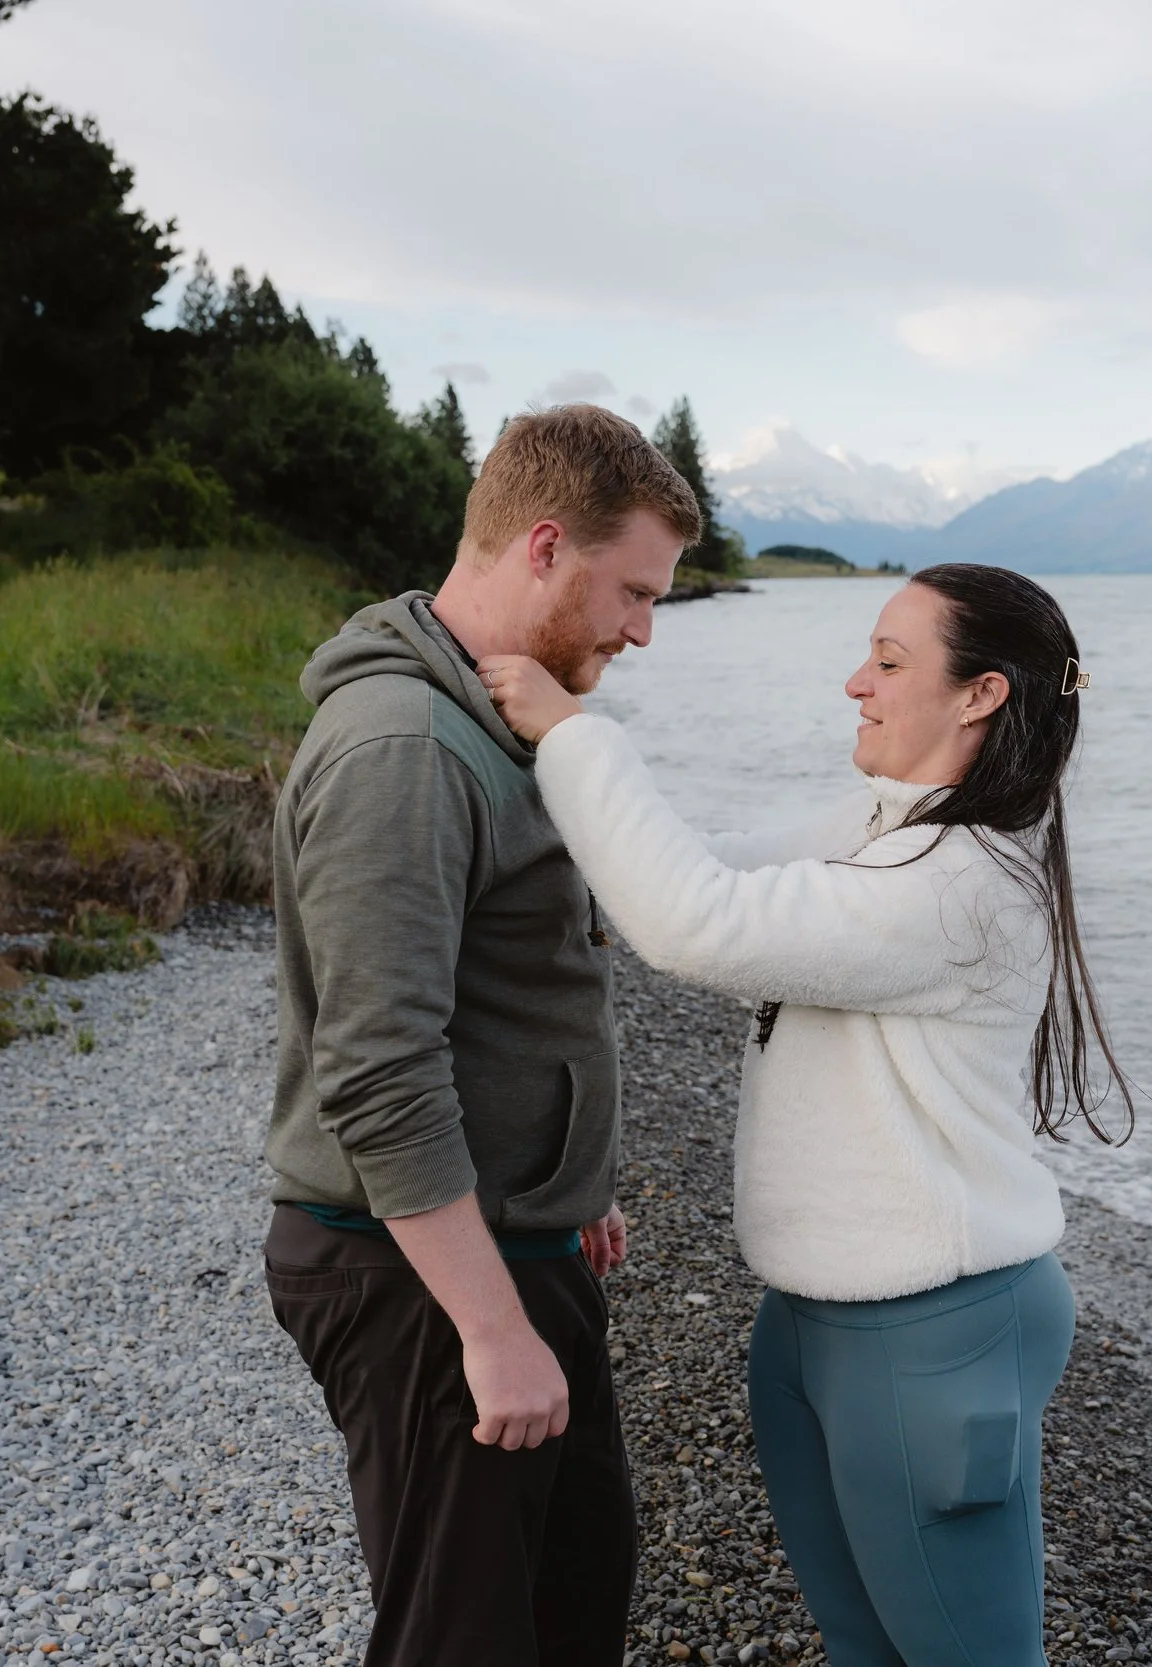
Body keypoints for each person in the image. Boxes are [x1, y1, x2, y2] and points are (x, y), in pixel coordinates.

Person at [480, 563, 1132, 1667]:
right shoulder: (880, 824)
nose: (853, 683)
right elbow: (706, 868)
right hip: (814, 1317)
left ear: (981, 695)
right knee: (860, 1642)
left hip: (932, 1326)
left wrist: (575, 735)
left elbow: (699, 922)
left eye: (887, 662)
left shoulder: (964, 884)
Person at [261, 403, 702, 1667]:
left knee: (571, 1593)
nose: (642, 629)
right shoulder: (402, 746)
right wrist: (494, 1325)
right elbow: (378, 1066)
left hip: (513, 1238)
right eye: (632, 591)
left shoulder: (491, 716)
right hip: (414, 1274)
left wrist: (569, 1185)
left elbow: (510, 983)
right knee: (464, 1640)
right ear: (546, 545)